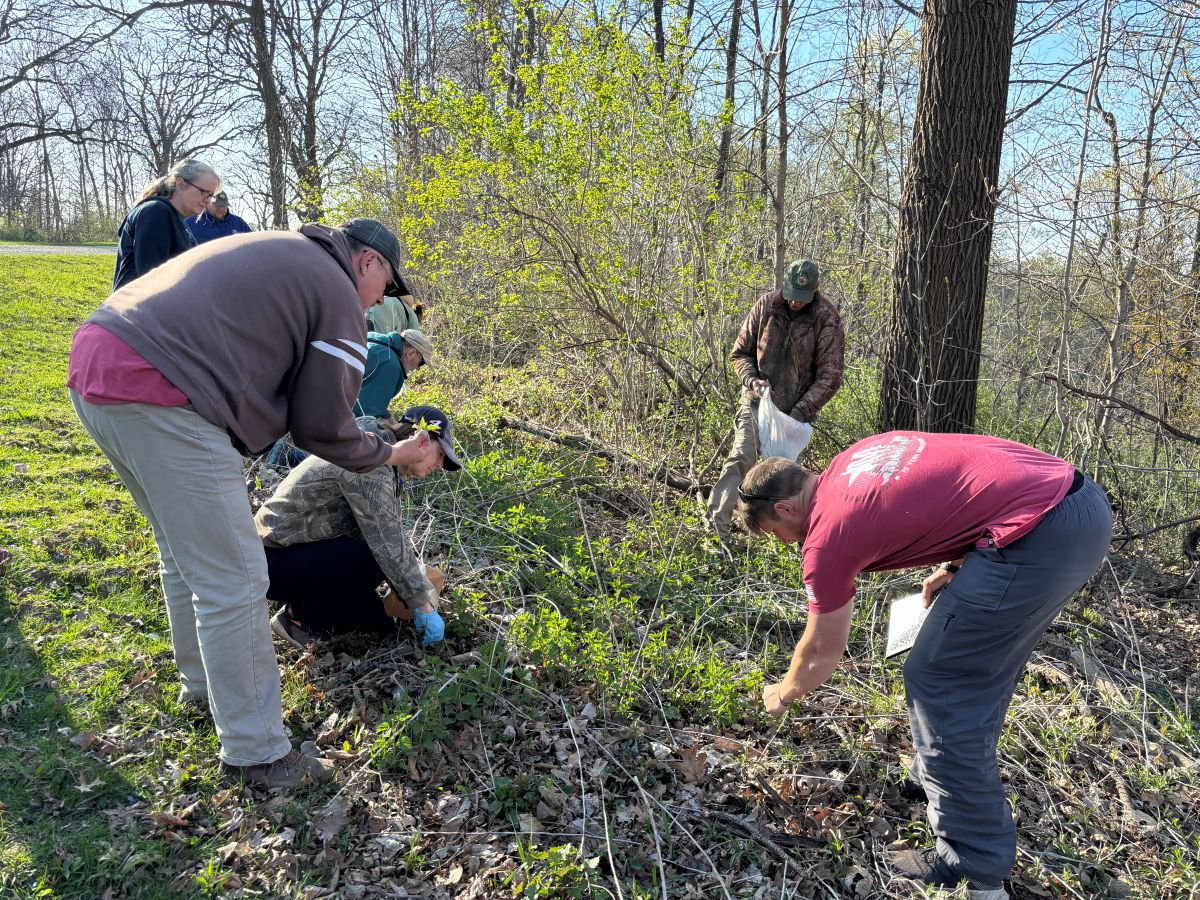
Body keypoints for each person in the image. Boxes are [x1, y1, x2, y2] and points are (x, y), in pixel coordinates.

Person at [68, 216, 424, 789]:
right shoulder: (334, 290)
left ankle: (203, 688)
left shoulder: (285, 252)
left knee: (187, 555)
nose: (383, 299)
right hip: (165, 390)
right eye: (387, 283)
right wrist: (393, 454)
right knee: (234, 578)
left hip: (100, 361)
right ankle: (257, 752)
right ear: (368, 262)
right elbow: (324, 428)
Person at [733, 432, 1112, 893]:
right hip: (1078, 503)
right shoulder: (861, 455)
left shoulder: (826, 537)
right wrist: (958, 566)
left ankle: (973, 864)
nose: (787, 544)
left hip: (1038, 535)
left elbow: (820, 653)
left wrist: (783, 693)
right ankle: (933, 778)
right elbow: (965, 482)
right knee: (976, 664)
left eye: (778, 535)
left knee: (941, 679)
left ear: (786, 509)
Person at [256, 407, 463, 648]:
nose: (439, 466)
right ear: (421, 440)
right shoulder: (370, 464)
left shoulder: (376, 452)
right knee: (372, 558)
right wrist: (423, 606)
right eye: (439, 455)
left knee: (378, 626)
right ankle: (297, 617)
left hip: (294, 554)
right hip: (268, 561)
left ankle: (306, 598)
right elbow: (388, 542)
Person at [706, 259, 844, 538]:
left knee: (781, 481)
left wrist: (799, 412)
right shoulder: (766, 305)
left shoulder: (826, 318)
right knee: (741, 457)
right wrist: (751, 380)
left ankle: (780, 540)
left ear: (815, 292)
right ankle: (715, 531)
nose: (795, 303)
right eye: (792, 296)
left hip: (795, 414)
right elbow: (740, 353)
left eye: (802, 299)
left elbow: (830, 377)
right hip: (757, 402)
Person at [113, 158, 219, 290]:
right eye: (204, 192)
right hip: (134, 308)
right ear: (180, 184)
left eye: (211, 195)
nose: (208, 201)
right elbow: (151, 281)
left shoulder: (177, 220)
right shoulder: (156, 212)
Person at [354, 329, 432, 419]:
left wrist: (387, 417)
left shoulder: (373, 339)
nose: (418, 368)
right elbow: (365, 413)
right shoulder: (390, 365)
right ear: (411, 353)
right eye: (421, 362)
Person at [187, 190, 253, 244]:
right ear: (208, 203)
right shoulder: (191, 223)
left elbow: (252, 244)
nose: (220, 208)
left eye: (223, 205)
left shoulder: (239, 223)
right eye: (217, 205)